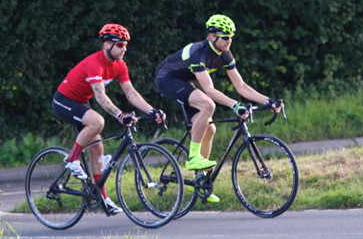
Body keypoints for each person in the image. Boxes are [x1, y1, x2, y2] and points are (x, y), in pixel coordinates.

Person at [155, 14, 283, 202]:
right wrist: (235, 105)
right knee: (208, 104)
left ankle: (200, 181)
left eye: (231, 36)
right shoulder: (198, 52)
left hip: (185, 81)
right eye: (225, 37)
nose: (229, 40)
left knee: (210, 127)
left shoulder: (225, 54)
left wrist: (267, 101)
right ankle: (193, 158)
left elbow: (241, 86)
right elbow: (209, 89)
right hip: (167, 79)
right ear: (212, 36)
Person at [52, 23, 167, 215]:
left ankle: (103, 198)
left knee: (97, 148)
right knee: (97, 122)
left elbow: (130, 93)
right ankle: (71, 159)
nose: (124, 49)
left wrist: (151, 111)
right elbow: (100, 97)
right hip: (64, 100)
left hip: (81, 102)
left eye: (125, 45)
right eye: (120, 44)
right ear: (107, 44)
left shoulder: (119, 65)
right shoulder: (95, 63)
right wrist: (120, 115)